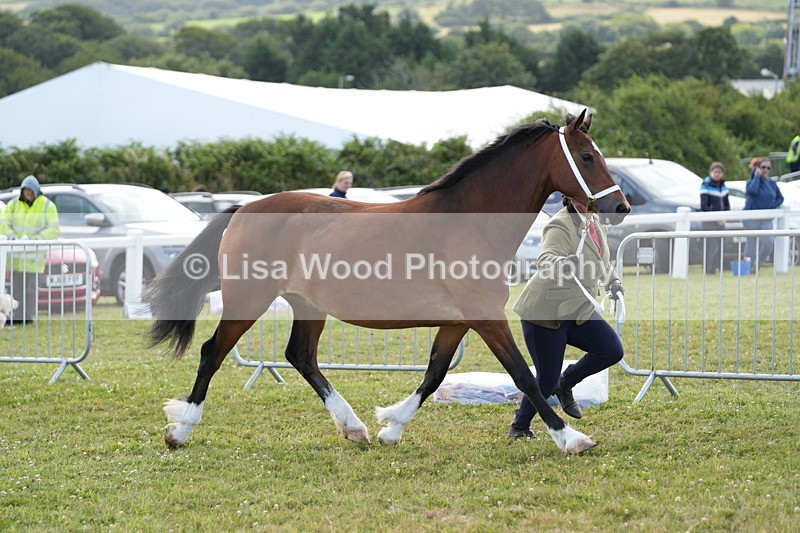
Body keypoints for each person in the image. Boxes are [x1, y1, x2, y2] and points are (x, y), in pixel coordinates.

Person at [508, 197, 624, 439]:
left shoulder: (594, 222)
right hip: (545, 313)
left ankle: (566, 382)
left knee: (611, 350)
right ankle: (519, 426)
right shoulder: (560, 224)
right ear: (573, 200)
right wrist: (562, 263)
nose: (592, 205)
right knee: (546, 379)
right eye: (586, 200)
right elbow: (546, 260)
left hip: (578, 309)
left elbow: (602, 260)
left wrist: (613, 282)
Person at [0, 175, 60, 323]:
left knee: (30, 290)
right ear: (22, 192)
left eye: (31, 193)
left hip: (33, 258)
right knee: (16, 289)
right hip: (15, 258)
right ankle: (16, 317)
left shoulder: (47, 206)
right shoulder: (13, 204)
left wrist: (36, 239)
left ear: (36, 191)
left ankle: (28, 316)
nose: (29, 195)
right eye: (26, 193)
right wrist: (12, 236)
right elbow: (4, 223)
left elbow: (53, 229)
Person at [744, 157, 783, 268]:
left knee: (768, 242)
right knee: (751, 242)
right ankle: (748, 267)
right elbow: (752, 191)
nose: (766, 170)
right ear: (757, 168)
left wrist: (771, 207)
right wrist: (756, 176)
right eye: (763, 167)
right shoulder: (750, 182)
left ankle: (757, 265)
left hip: (766, 218)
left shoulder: (772, 183)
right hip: (752, 217)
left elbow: (780, 198)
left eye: (768, 168)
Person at [699, 162, 730, 274]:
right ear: (710, 172)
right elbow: (704, 206)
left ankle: (715, 267)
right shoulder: (705, 185)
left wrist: (725, 217)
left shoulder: (724, 187)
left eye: (719, 172)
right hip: (709, 221)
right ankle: (708, 269)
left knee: (721, 244)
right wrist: (716, 217)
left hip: (721, 221)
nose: (717, 174)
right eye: (715, 172)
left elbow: (727, 205)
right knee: (711, 245)